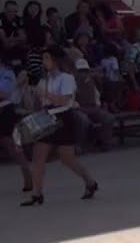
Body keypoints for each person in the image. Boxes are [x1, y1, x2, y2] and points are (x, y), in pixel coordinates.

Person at [21, 46, 98, 206]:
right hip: (48, 117)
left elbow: (65, 100)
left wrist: (44, 94)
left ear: (56, 60)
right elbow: (42, 102)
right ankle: (37, 193)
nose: (44, 62)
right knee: (38, 155)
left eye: (47, 58)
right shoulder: (44, 79)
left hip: (63, 117)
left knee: (66, 157)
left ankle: (90, 181)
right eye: (44, 59)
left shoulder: (67, 78)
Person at [0, 58, 33, 192]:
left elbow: (4, 93)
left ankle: (27, 173)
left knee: (10, 144)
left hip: (3, 110)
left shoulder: (6, 73)